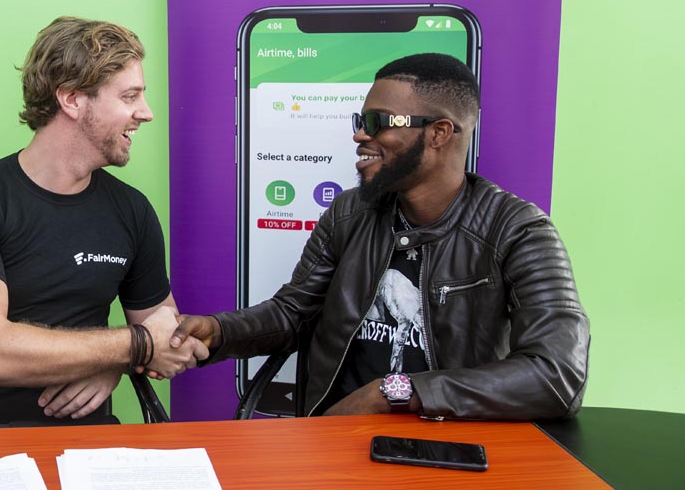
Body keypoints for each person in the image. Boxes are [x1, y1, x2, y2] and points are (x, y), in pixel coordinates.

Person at [173, 53, 589, 420]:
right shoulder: (349, 214)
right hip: (336, 444)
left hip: (452, 451)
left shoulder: (517, 231)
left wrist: (390, 394)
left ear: (439, 133)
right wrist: (216, 331)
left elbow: (557, 374)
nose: (360, 135)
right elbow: (293, 314)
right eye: (361, 122)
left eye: (377, 123)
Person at [0, 17, 207, 428]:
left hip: (81, 433)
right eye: (130, 96)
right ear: (71, 99)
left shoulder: (132, 210)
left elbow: (165, 334)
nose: (146, 113)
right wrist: (133, 347)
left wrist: (118, 363)